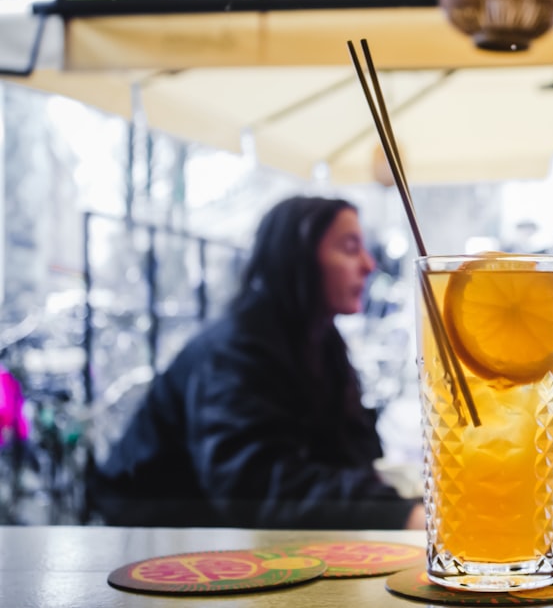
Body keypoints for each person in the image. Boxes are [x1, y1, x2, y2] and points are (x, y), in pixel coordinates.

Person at [87, 196, 424, 530]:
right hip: (157, 543)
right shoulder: (237, 349)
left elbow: (353, 450)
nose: (368, 264)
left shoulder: (319, 338)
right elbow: (254, 486)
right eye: (350, 248)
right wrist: (395, 514)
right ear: (298, 257)